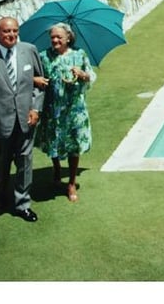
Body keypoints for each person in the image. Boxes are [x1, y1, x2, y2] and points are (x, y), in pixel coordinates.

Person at [0, 16, 45, 222]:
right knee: (1, 164)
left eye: (14, 31)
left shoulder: (29, 50)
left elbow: (40, 84)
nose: (11, 35)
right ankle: (1, 195)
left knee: (25, 162)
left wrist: (35, 109)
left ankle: (23, 205)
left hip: (25, 120)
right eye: (6, 31)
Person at [34, 22, 96, 203]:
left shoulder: (79, 54)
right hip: (53, 110)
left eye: (59, 37)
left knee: (74, 145)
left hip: (75, 109)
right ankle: (56, 168)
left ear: (68, 38)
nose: (55, 40)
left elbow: (91, 76)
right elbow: (35, 77)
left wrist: (82, 74)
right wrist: (37, 80)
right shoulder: (43, 56)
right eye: (52, 37)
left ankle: (71, 183)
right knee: (54, 141)